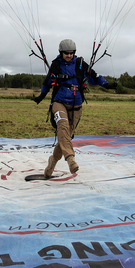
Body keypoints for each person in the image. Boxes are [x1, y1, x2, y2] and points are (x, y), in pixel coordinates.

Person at [32, 39, 117, 177]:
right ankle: (71, 159)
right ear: (61, 52)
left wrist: (107, 85)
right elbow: (47, 82)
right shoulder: (56, 65)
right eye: (66, 53)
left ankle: (52, 161)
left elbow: (95, 77)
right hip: (59, 102)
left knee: (65, 136)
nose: (69, 55)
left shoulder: (80, 64)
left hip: (76, 105)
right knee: (63, 126)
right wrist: (41, 96)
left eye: (71, 53)